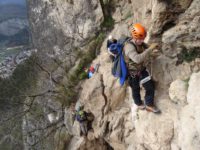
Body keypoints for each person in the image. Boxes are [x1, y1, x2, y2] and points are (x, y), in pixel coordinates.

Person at [123, 23, 160, 113]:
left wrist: (153, 48)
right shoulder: (129, 47)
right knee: (135, 90)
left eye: (143, 39)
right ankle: (138, 103)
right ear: (134, 37)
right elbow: (137, 59)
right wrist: (150, 49)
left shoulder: (140, 42)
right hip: (132, 74)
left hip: (141, 70)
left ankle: (149, 105)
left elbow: (147, 47)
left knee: (150, 87)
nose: (142, 41)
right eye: (140, 39)